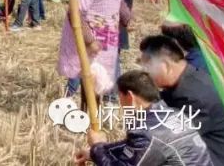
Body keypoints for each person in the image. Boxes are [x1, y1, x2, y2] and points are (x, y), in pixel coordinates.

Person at [74, 69, 211, 166]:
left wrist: (97, 147)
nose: (120, 103)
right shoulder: (175, 114)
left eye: (120, 97)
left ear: (130, 96)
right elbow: (133, 148)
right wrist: (98, 151)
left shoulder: (147, 131)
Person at [139, 34, 224, 166]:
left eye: (147, 67)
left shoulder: (195, 97)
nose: (146, 74)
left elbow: (164, 139)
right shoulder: (187, 79)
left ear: (164, 66)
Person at [59, 0, 130, 98]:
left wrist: (127, 19)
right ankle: (76, 105)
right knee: (87, 77)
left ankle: (95, 114)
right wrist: (90, 40)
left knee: (99, 81)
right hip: (89, 38)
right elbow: (75, 12)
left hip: (107, 37)